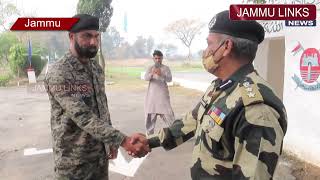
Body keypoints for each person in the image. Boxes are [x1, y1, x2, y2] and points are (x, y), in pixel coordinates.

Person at [141, 10, 288, 179]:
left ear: (226, 47)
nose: (206, 51)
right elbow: (193, 120)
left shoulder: (256, 110)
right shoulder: (220, 86)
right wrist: (149, 141)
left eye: (209, 44)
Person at [44, 14, 149, 180]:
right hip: (73, 164)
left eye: (96, 36)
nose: (93, 42)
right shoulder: (60, 73)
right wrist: (122, 140)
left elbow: (101, 106)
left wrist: (110, 142)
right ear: (71, 37)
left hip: (99, 158)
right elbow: (83, 116)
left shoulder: (96, 69)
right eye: (87, 36)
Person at [144, 50, 175, 135]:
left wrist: (161, 74)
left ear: (162, 58)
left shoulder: (166, 68)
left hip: (162, 96)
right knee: (150, 117)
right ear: (153, 58)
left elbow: (169, 79)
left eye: (159, 58)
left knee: (169, 114)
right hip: (152, 97)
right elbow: (145, 78)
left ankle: (176, 133)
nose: (158, 60)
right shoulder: (150, 68)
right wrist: (152, 73)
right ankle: (149, 135)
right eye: (156, 58)